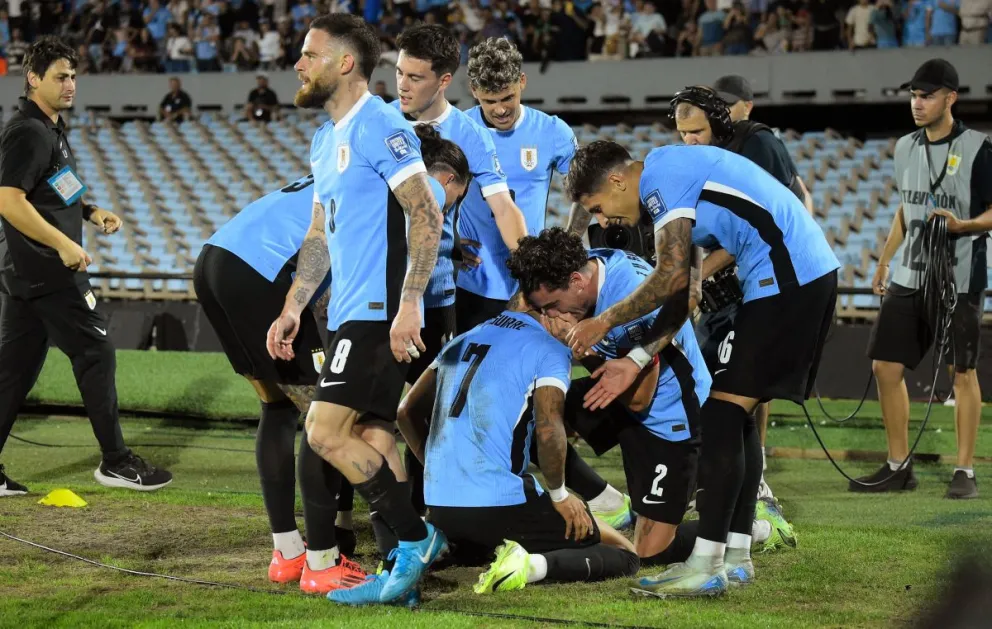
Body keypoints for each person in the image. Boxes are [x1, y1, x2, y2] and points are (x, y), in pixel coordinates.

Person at [562, 140, 839, 597]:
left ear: (616, 181)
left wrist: (604, 321)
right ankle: (736, 553)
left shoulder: (661, 180)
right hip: (788, 275)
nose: (600, 221)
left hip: (790, 275)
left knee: (723, 415)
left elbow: (669, 278)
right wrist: (633, 356)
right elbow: (684, 293)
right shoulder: (672, 186)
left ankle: (708, 563)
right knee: (734, 415)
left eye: (596, 207)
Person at [267, 14, 447, 607]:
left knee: (322, 432)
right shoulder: (325, 139)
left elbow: (426, 212)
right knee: (375, 435)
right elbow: (320, 234)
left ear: (345, 63)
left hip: (378, 311)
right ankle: (403, 569)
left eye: (309, 54)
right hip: (344, 310)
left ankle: (417, 539)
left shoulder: (380, 124)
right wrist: (295, 304)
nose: (298, 64)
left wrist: (410, 304)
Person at [0, 36, 172, 496]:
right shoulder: (27, 131)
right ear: (33, 78)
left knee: (11, 374)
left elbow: (57, 187)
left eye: (74, 75)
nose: (71, 84)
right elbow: (9, 201)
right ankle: (116, 462)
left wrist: (91, 212)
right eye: (60, 76)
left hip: (25, 274)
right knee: (97, 352)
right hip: (47, 271)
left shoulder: (50, 128)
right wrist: (63, 244)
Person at [195, 174, 363, 593]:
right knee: (325, 415)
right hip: (261, 272)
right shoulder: (378, 178)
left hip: (214, 260)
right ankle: (323, 561)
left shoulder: (334, 165)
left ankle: (287, 553)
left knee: (278, 406)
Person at [506, 228, 711, 571]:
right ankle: (608, 502)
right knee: (526, 421)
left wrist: (577, 346)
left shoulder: (628, 294)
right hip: (616, 392)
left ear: (576, 282)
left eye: (554, 306)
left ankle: (739, 528)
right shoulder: (588, 266)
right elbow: (525, 306)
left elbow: (638, 399)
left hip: (667, 411)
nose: (552, 317)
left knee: (649, 554)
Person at [397, 305, 640, 592]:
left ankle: (447, 548)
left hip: (439, 506)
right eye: (580, 318)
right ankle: (529, 566)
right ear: (556, 312)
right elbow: (548, 431)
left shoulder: (463, 338)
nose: (586, 332)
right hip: (500, 504)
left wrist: (437, 467)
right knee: (625, 552)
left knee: (483, 545)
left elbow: (406, 412)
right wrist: (560, 495)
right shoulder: (547, 348)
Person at [391, 23, 524, 511]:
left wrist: (529, 266)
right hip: (377, 295)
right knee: (363, 413)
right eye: (399, 73)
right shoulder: (378, 121)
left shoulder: (468, 132)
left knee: (433, 412)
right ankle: (346, 527)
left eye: (415, 76)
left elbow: (502, 205)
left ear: (444, 80)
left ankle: (431, 510)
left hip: (436, 298)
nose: (402, 85)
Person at [669, 79, 811, 516]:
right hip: (725, 278)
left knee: (742, 382)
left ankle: (754, 476)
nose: (693, 137)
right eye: (685, 132)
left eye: (728, 108)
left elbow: (773, 215)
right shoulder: (710, 153)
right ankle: (720, 473)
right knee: (723, 379)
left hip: (757, 277)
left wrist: (694, 276)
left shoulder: (757, 142)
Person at [859, 59, 991, 499]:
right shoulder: (903, 147)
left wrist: (962, 226)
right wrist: (883, 260)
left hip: (960, 277)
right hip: (909, 274)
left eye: (927, 95)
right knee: (885, 366)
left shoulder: (978, 147)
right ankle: (899, 465)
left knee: (963, 373)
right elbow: (906, 206)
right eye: (914, 94)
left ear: (950, 98)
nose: (917, 103)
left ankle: (965, 470)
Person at [457, 37, 578, 333]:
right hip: (473, 282)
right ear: (474, 91)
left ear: (522, 82)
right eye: (490, 101)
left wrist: (569, 242)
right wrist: (449, 243)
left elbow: (585, 193)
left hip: (534, 284)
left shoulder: (552, 131)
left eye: (507, 97)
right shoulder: (458, 131)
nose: (500, 110)